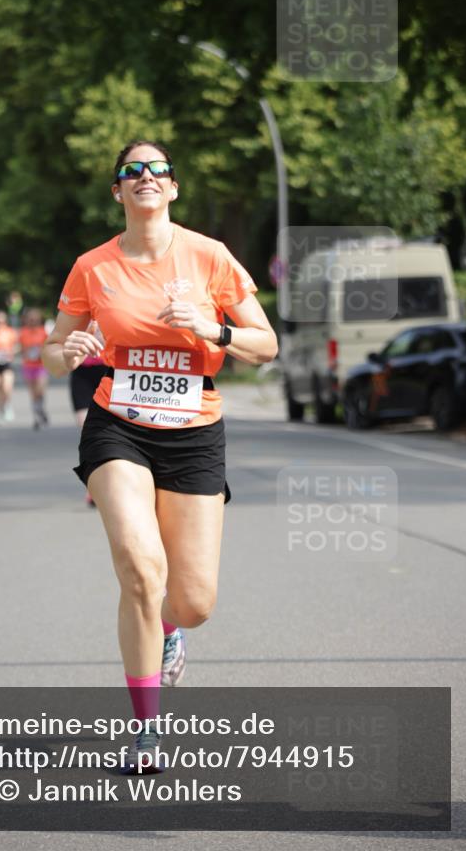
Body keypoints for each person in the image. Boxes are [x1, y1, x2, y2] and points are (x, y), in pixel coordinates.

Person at [43, 140, 278, 774]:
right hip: (117, 422)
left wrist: (213, 330)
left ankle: (169, 632)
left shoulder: (210, 257)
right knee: (141, 570)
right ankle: (146, 730)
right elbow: (53, 346)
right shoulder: (92, 267)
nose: (145, 177)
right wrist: (66, 351)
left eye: (157, 170)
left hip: (195, 427)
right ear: (118, 192)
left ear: (173, 187)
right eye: (131, 171)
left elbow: (266, 344)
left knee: (193, 602)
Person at [69, 343, 107, 506]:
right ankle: (93, 486)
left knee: (108, 432)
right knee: (86, 427)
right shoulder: (78, 316)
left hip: (108, 368)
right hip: (82, 371)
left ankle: (108, 481)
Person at [19, 308, 50, 429]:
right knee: (33, 393)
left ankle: (41, 409)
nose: (32, 321)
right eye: (30, 319)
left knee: (40, 391)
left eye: (34, 319)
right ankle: (36, 417)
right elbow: (21, 349)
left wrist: (41, 353)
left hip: (41, 366)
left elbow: (48, 347)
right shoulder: (23, 333)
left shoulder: (43, 332)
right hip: (28, 366)